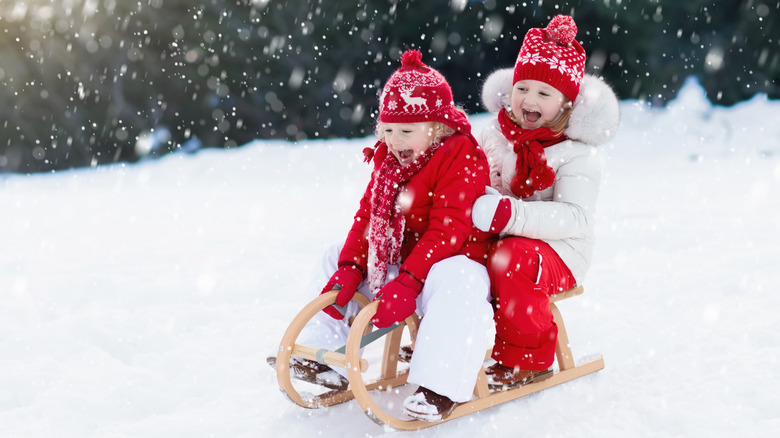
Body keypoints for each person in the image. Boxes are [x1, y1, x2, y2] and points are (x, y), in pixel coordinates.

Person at [291, 49, 495, 421]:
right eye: (387, 129)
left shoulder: (460, 154)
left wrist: (410, 281)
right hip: (405, 269)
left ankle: (439, 387)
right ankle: (321, 358)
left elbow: (449, 229)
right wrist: (352, 266)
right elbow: (369, 216)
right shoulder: (389, 161)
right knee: (332, 256)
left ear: (437, 126)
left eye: (406, 131)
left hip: (450, 263)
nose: (395, 140)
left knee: (459, 280)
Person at [471, 15, 619, 387]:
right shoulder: (496, 134)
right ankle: (449, 334)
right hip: (503, 235)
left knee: (512, 259)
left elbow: (574, 218)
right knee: (454, 252)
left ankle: (527, 359)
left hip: (561, 251)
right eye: (523, 87)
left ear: (566, 103)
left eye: (544, 93)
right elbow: (481, 181)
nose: (529, 101)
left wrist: (508, 213)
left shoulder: (577, 153)